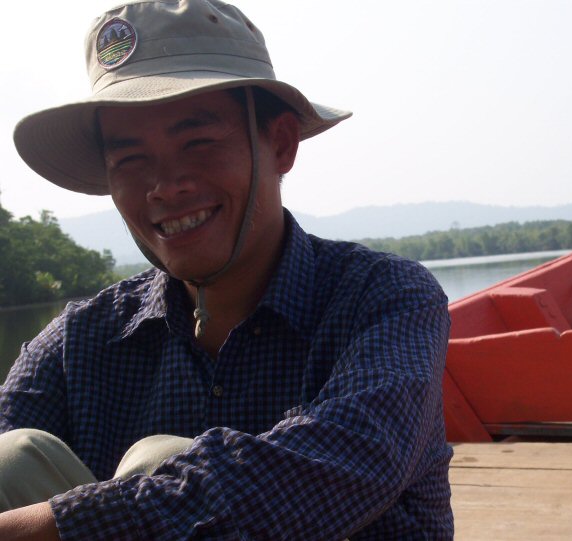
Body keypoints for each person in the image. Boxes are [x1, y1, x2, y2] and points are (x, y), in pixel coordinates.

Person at [0, 1, 453, 539]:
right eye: (130, 159)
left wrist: (58, 525)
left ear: (280, 144)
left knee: (159, 460)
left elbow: (349, 462)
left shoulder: (384, 297)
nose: (166, 187)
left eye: (198, 143)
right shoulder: (78, 342)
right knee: (12, 456)